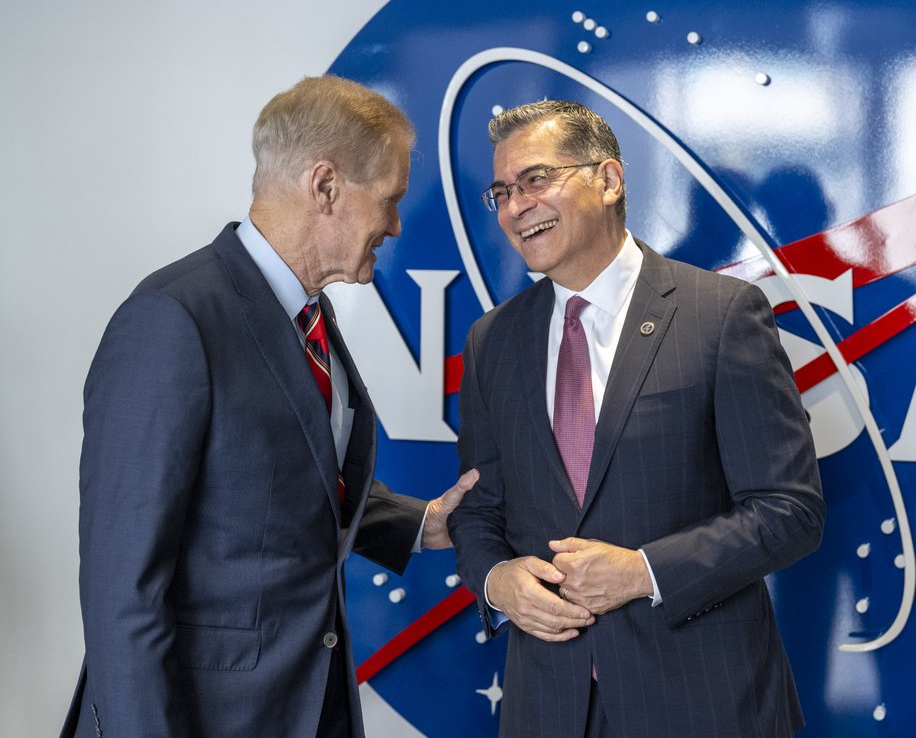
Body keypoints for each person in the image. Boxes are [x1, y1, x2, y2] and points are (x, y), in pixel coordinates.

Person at [62, 75, 478, 738]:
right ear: (326, 185)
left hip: (308, 705)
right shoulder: (171, 319)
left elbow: (286, 481)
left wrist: (419, 521)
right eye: (391, 199)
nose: (397, 224)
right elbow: (122, 590)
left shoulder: (309, 315)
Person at [448, 100, 825, 738]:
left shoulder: (722, 315)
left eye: (537, 179)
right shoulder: (493, 340)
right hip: (549, 707)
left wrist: (642, 571)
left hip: (704, 701)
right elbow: (478, 508)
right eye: (503, 191)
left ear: (610, 179)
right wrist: (493, 579)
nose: (516, 206)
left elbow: (790, 512)